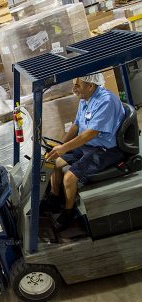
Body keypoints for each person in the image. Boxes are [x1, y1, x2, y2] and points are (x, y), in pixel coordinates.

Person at [45, 73, 125, 231]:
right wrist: (61, 145)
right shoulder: (85, 99)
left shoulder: (106, 101)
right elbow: (76, 126)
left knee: (69, 178)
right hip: (88, 145)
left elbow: (91, 133)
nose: (74, 88)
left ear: (90, 85)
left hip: (105, 149)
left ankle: (69, 212)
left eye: (77, 85)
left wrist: (64, 148)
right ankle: (54, 198)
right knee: (52, 162)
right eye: (74, 84)